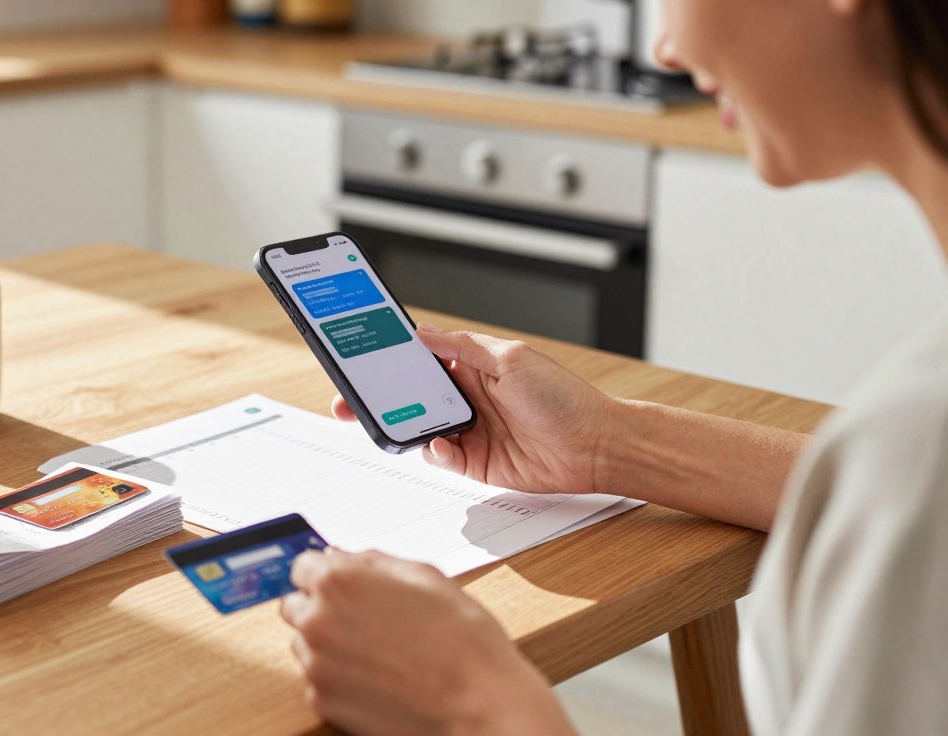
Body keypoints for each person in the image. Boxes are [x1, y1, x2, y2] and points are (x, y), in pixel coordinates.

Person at [278, 0, 948, 733]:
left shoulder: (917, 444)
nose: (663, 49)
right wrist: (606, 443)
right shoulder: (909, 456)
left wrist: (478, 702)